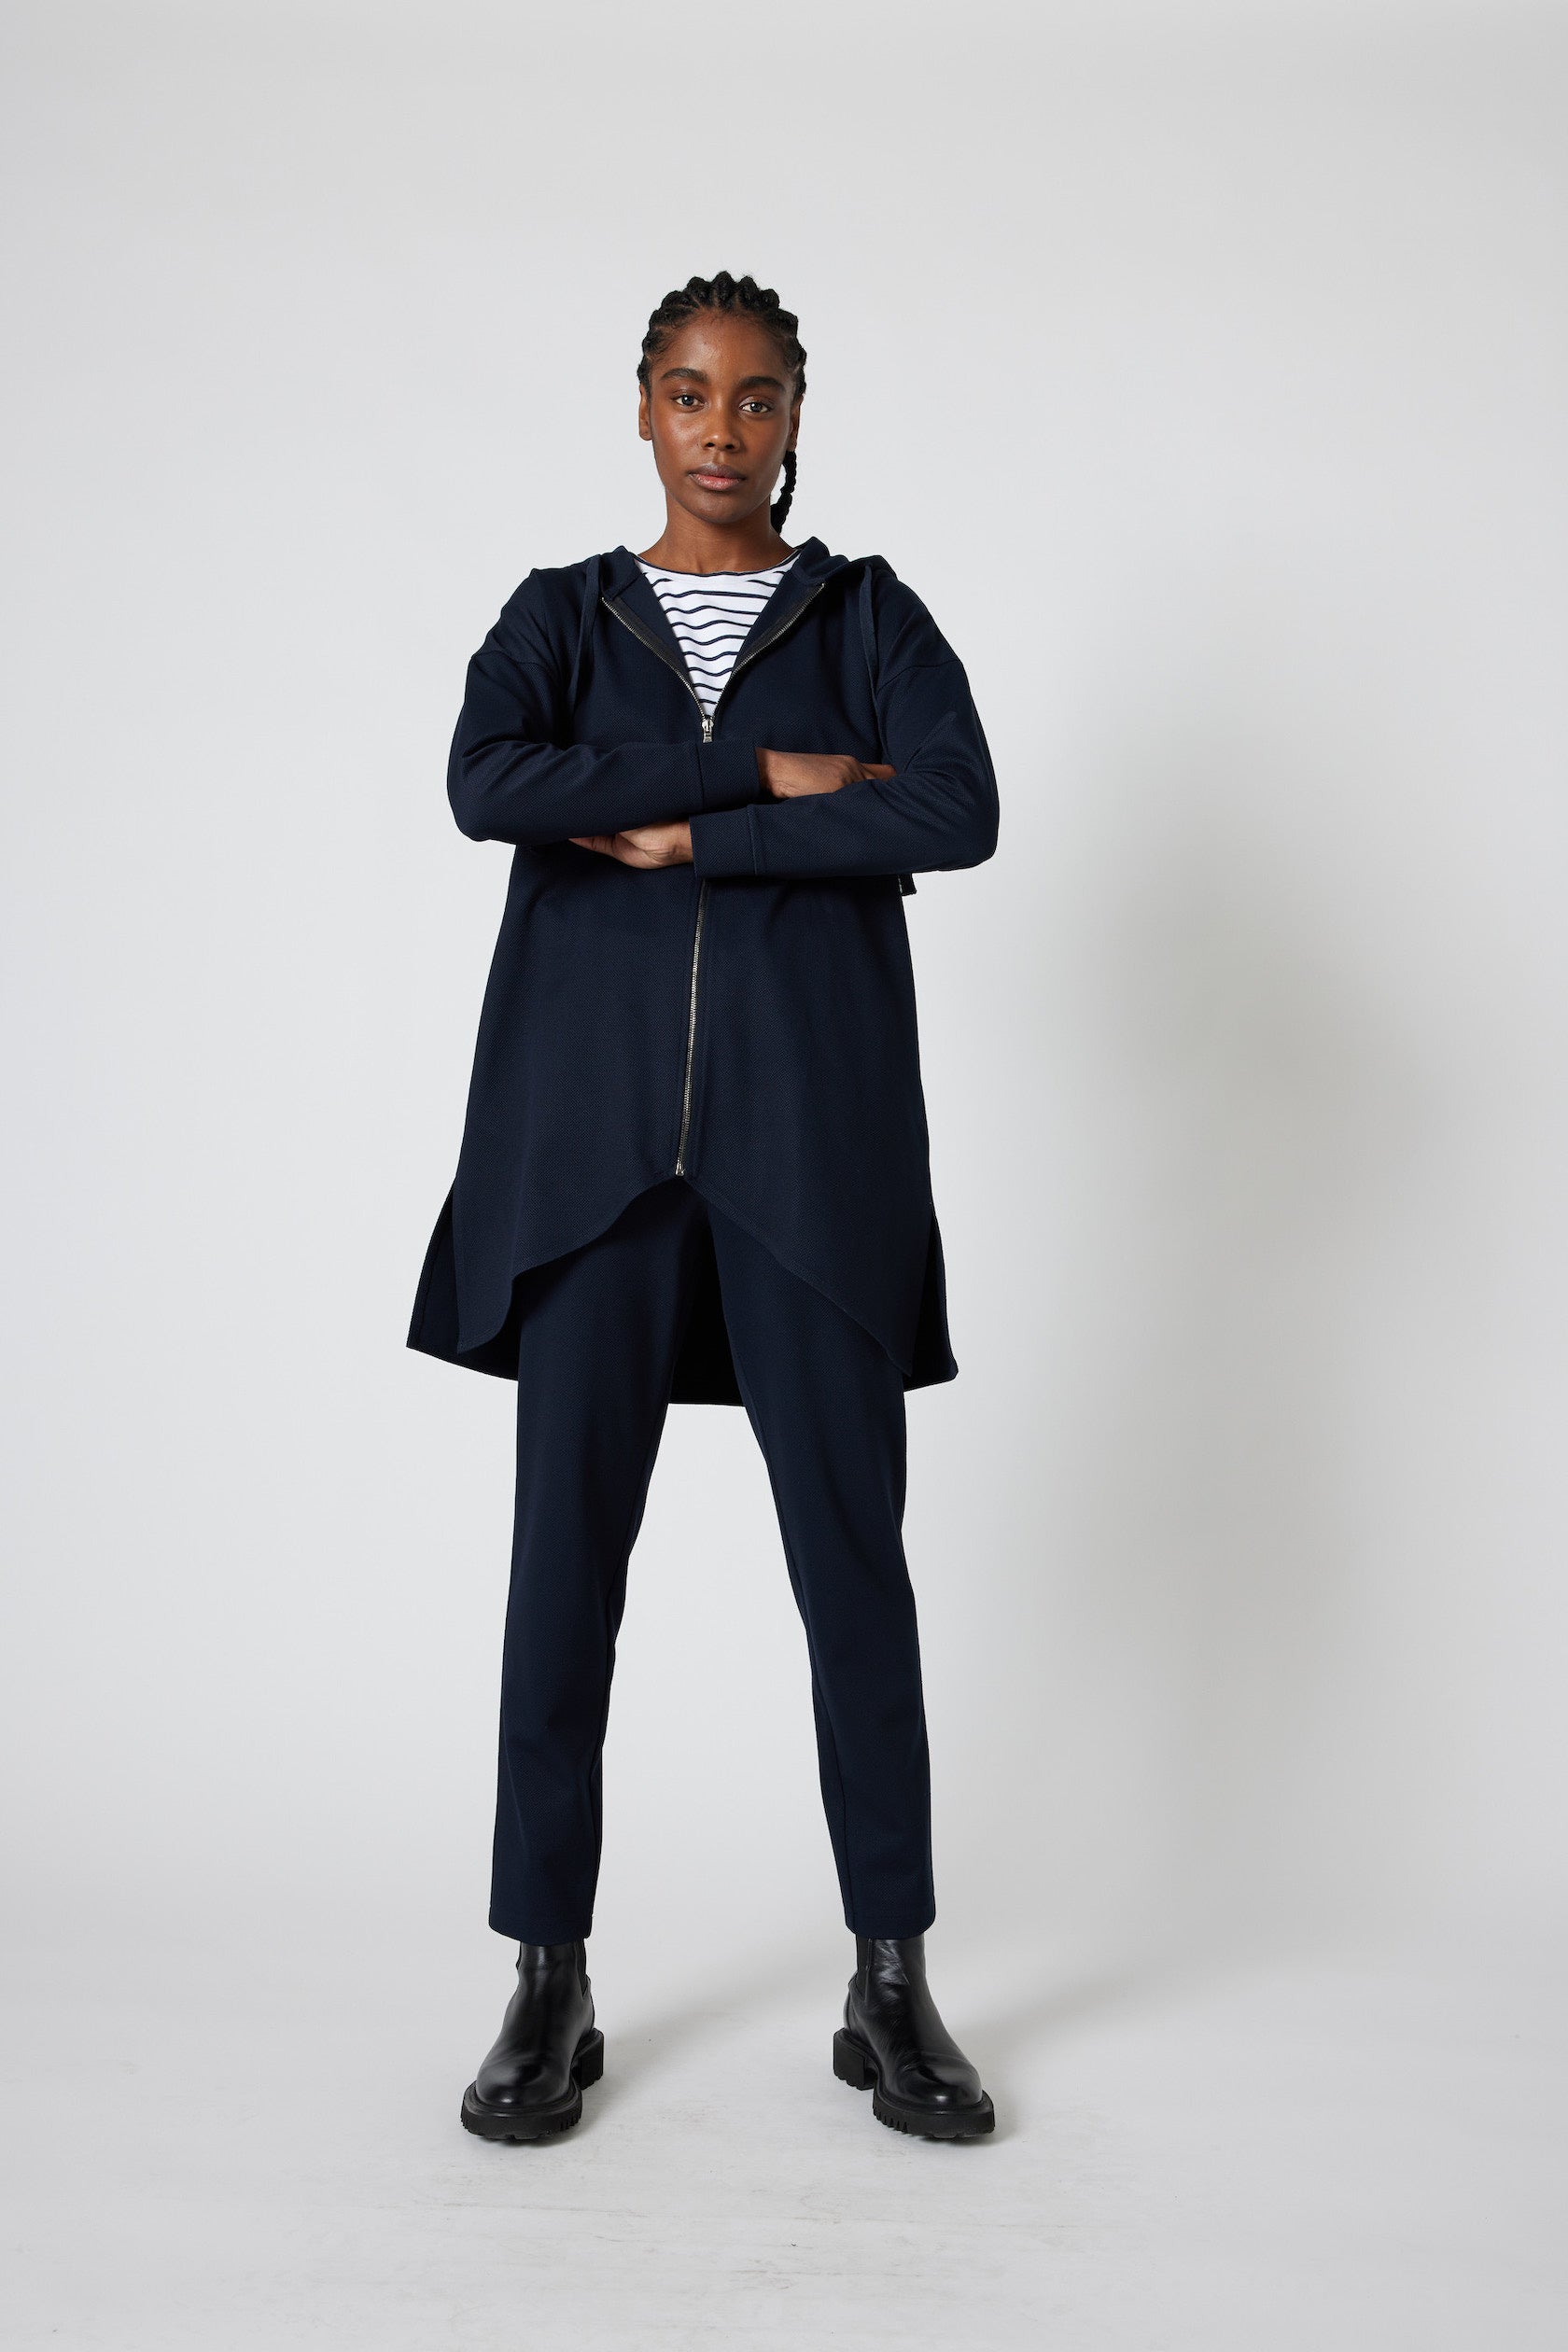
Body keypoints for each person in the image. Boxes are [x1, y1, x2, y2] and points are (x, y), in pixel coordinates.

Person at [408, 272, 1001, 2142]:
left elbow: (955, 809)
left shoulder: (872, 616)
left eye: (755, 397)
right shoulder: (561, 615)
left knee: (853, 1572)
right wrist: (766, 770)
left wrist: (694, 835)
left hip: (810, 1154)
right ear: (645, 411)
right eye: (689, 393)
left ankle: (892, 1980)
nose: (722, 429)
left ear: (796, 416)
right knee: (563, 1573)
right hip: (592, 1159)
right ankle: (547, 1976)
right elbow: (489, 780)